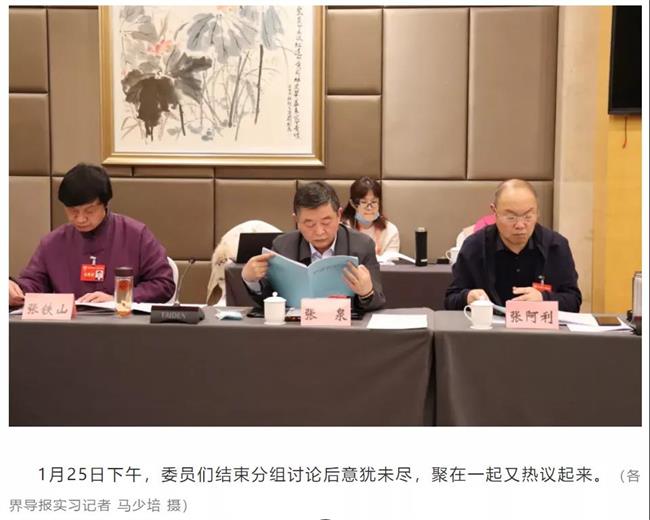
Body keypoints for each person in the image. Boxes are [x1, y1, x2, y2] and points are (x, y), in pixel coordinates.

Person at [9, 163, 175, 306]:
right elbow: (33, 283)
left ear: (105, 204)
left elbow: (163, 284)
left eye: (89, 211)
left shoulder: (136, 235)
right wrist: (14, 288)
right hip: (68, 328)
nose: (80, 219)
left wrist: (118, 298)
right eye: (73, 211)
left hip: (123, 325)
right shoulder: (52, 243)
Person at [242, 181, 386, 311]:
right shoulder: (283, 246)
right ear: (296, 221)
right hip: (298, 327)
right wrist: (251, 280)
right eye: (309, 224)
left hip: (344, 327)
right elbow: (269, 299)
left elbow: (378, 301)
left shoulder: (362, 245)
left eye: (326, 222)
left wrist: (366, 293)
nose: (319, 231)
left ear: (339, 215)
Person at [445, 179, 582, 312]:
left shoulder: (556, 246)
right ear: (494, 212)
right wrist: (468, 297)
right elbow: (451, 299)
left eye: (528, 216)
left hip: (539, 326)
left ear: (537, 212)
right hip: (490, 326)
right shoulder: (474, 246)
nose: (520, 225)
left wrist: (543, 298)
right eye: (511, 217)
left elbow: (573, 301)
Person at [341, 176, 400, 257]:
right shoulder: (343, 230)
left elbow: (391, 262)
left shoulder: (390, 230)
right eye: (364, 202)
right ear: (353, 204)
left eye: (374, 202)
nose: (369, 208)